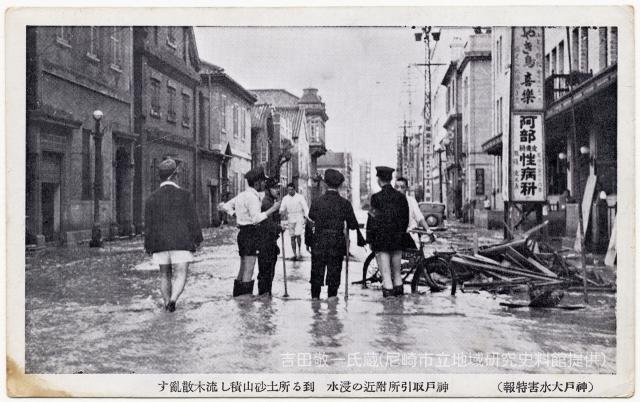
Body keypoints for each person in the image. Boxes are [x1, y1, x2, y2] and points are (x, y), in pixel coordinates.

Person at [144, 158, 203, 312]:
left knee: (164, 274)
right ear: (175, 175)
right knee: (181, 272)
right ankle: (173, 299)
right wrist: (197, 240)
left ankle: (165, 303)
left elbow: (148, 226)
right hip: (181, 242)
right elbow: (193, 220)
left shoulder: (151, 198)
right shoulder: (185, 195)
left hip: (160, 243)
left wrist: (148, 246)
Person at [220, 167, 281, 297]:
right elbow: (256, 218)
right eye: (263, 182)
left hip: (242, 234)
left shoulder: (241, 195)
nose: (265, 184)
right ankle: (245, 302)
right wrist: (273, 209)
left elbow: (224, 206)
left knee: (242, 268)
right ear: (257, 182)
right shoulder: (252, 198)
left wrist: (236, 215)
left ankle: (238, 298)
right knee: (249, 269)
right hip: (251, 234)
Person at [308, 169, 365, 300]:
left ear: (325, 184)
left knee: (316, 274)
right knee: (334, 276)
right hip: (336, 243)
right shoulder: (345, 203)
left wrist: (308, 242)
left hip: (319, 241)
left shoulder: (317, 202)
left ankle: (315, 309)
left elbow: (310, 221)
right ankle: (332, 310)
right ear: (339, 185)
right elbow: (352, 224)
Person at [366, 166, 409, 298]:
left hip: (381, 240)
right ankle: (399, 310)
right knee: (397, 275)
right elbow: (405, 219)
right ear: (391, 179)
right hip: (397, 240)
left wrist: (370, 239)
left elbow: (372, 220)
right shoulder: (401, 197)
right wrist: (400, 233)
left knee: (386, 275)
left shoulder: (376, 198)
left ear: (379, 180)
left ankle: (389, 312)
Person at [257, 177, 283, 297]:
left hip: (269, 242)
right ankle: (265, 296)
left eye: (278, 187)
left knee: (267, 271)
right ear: (269, 189)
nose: (278, 190)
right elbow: (267, 225)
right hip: (266, 242)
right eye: (275, 187)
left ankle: (266, 297)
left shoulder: (271, 201)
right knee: (266, 271)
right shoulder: (267, 203)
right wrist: (279, 228)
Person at [279, 183, 310, 260]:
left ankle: (299, 250)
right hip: (290, 217)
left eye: (291, 189)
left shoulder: (300, 197)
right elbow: (282, 208)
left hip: (299, 217)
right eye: (288, 190)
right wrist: (282, 213)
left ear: (294, 189)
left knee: (298, 235)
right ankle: (294, 253)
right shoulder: (285, 198)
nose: (290, 191)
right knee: (292, 236)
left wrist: (307, 217)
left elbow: (305, 207)